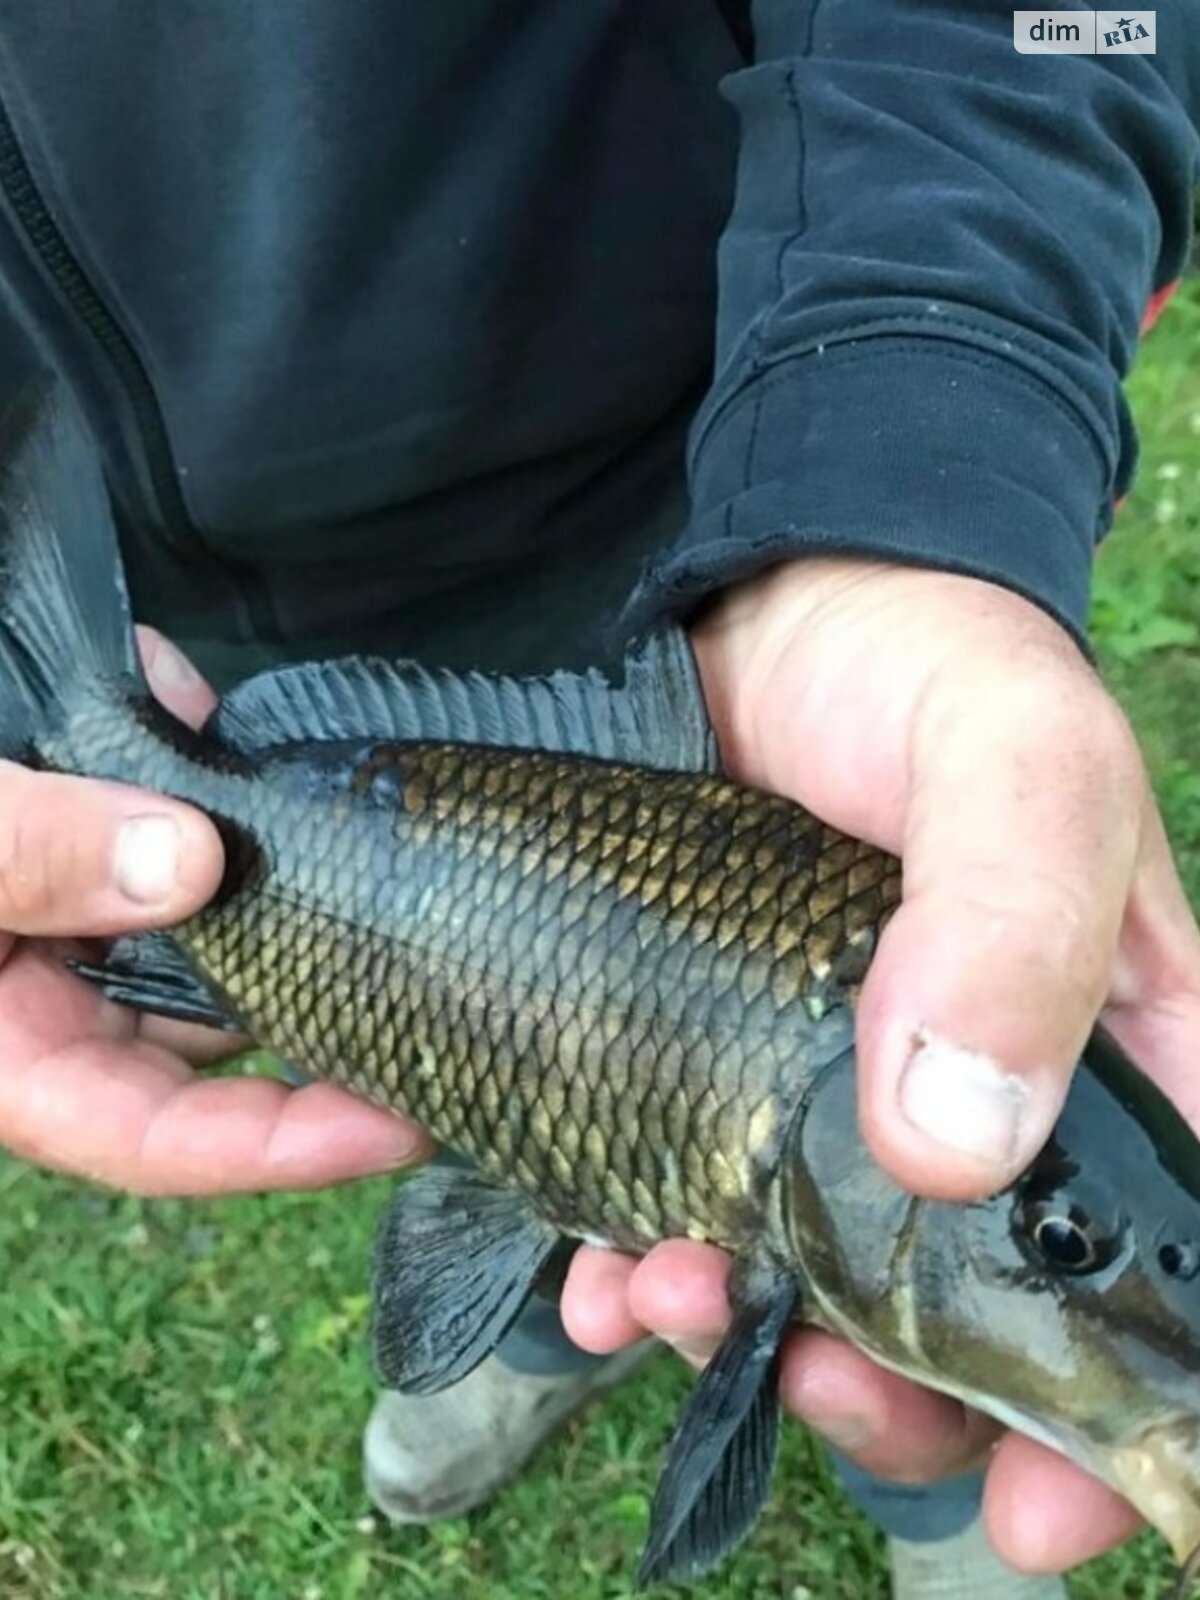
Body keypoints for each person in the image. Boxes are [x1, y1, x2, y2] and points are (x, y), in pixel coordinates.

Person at [0, 5, 1197, 1596]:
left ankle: (939, 1509)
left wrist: (912, 467)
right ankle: (548, 1328)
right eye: (1077, 1239)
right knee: (607, 1209)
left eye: (1073, 1238)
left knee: (800, 1320)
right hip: (230, 636)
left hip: (728, 483)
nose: (1079, 1241)